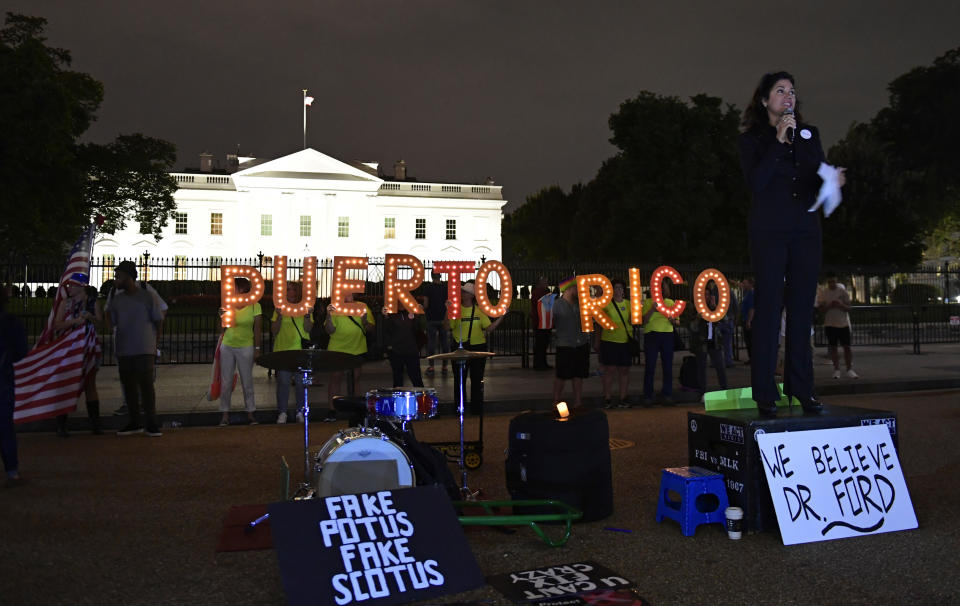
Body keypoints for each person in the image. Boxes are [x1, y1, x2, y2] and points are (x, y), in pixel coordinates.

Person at [738, 71, 846, 415]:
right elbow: (756, 182)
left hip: (805, 230)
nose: (789, 96)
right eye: (780, 90)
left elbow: (816, 174)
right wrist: (778, 141)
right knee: (769, 309)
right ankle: (766, 393)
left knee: (801, 311)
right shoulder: (751, 140)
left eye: (792, 91)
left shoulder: (809, 134)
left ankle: (802, 388)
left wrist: (831, 180)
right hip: (769, 232)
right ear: (765, 100)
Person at [109, 261, 165, 436]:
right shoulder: (116, 298)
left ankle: (151, 423)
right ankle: (135, 422)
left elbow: (159, 319)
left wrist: (155, 343)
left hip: (144, 348)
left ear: (129, 277)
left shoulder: (147, 296)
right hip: (124, 349)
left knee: (146, 387)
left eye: (119, 276)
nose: (115, 279)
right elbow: (110, 320)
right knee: (129, 388)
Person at [51, 275, 103, 436]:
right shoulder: (64, 303)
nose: (69, 288)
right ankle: (62, 425)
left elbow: (101, 323)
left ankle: (95, 424)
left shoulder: (93, 302)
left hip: (88, 346)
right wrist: (74, 322)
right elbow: (56, 325)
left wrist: (91, 317)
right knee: (65, 384)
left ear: (82, 286)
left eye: (72, 286)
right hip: (68, 348)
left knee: (90, 384)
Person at [444, 280, 504, 415]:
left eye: (465, 292)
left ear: (471, 295)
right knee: (460, 380)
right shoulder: (456, 309)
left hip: (478, 347)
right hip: (460, 347)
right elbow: (447, 327)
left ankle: (476, 409)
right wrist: (447, 311)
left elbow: (489, 328)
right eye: (462, 292)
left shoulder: (479, 311)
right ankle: (460, 408)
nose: (462, 294)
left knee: (477, 379)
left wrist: (501, 317)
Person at [219, 277, 261, 426]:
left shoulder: (255, 305)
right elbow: (223, 328)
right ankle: (224, 414)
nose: (231, 288)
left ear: (242, 288)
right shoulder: (228, 303)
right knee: (226, 381)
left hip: (246, 346)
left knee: (247, 381)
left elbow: (257, 329)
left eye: (234, 286)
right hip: (228, 345)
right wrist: (222, 316)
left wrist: (257, 348)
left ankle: (250, 412)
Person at [325, 293, 374, 418]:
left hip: (357, 347)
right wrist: (329, 316)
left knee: (355, 379)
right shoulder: (334, 307)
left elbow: (371, 328)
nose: (348, 294)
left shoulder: (362, 306)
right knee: (336, 378)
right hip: (337, 348)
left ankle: (356, 409)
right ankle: (332, 410)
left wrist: (364, 322)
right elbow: (329, 330)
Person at [270, 281, 313, 424]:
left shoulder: (304, 308)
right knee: (283, 382)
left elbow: (308, 329)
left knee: (301, 383)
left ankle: (300, 411)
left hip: (300, 351)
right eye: (287, 289)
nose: (290, 292)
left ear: (297, 292)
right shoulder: (279, 308)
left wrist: (307, 315)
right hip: (283, 351)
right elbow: (274, 330)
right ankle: (282, 412)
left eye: (292, 289)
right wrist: (279, 316)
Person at [1, 285, 28, 485]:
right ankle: (12, 471)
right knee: (5, 427)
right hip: (4, 379)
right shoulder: (11, 323)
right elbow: (21, 353)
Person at [552, 278, 590, 408]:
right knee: (561, 375)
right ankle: (556, 401)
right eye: (576, 288)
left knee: (579, 375)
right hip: (565, 345)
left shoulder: (581, 305)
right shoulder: (556, 305)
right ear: (568, 289)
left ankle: (578, 402)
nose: (579, 291)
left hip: (581, 344)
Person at [597, 278, 634, 408]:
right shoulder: (606, 304)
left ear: (624, 291)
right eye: (616, 288)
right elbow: (599, 324)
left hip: (625, 342)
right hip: (609, 341)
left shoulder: (629, 304)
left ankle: (623, 397)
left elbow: (632, 321)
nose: (618, 290)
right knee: (609, 370)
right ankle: (607, 398)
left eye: (620, 288)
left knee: (624, 371)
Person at [641, 282, 678, 406]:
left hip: (667, 335)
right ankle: (648, 396)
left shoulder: (670, 303)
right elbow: (644, 321)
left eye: (661, 289)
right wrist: (653, 308)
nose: (659, 291)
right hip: (651, 335)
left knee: (667, 367)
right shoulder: (647, 302)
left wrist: (673, 320)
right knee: (650, 366)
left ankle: (667, 394)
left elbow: (677, 322)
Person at [687, 287, 729, 395]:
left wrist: (715, 307)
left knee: (720, 367)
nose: (706, 297)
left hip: (714, 342)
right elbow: (691, 327)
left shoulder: (713, 307)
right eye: (704, 295)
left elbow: (725, 320)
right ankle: (703, 392)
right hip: (701, 343)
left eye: (708, 294)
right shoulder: (694, 308)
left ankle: (725, 390)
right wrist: (697, 318)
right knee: (702, 368)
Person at [817, 272, 859, 379]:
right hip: (830, 324)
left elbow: (849, 308)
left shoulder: (842, 291)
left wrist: (841, 305)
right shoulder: (824, 293)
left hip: (843, 324)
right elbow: (821, 310)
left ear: (837, 281)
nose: (832, 284)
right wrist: (829, 306)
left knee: (847, 347)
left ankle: (849, 369)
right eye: (830, 282)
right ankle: (836, 370)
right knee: (833, 348)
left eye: (833, 282)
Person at [382, 307, 426, 388]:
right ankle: (398, 400)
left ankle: (421, 399)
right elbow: (386, 331)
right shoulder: (390, 314)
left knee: (416, 379)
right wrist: (386, 317)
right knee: (397, 380)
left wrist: (417, 317)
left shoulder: (412, 311)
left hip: (411, 350)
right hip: (396, 351)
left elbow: (419, 329)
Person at [423, 272, 449, 376]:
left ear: (431, 276)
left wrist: (422, 308)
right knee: (444, 343)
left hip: (431, 318)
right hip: (443, 318)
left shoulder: (427, 288)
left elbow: (426, 304)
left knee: (431, 343)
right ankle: (444, 366)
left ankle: (431, 366)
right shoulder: (445, 288)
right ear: (440, 276)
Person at [530, 276, 551, 370]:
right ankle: (540, 364)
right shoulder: (539, 292)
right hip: (540, 321)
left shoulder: (540, 292)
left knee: (542, 344)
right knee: (541, 344)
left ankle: (541, 363)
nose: (547, 283)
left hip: (542, 321)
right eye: (545, 282)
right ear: (540, 283)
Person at [740, 277, 756, 364]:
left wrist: (749, 321)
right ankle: (751, 358)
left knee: (750, 341)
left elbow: (751, 308)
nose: (743, 284)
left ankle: (753, 359)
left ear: (750, 284)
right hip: (746, 319)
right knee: (748, 341)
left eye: (744, 283)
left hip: (748, 320)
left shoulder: (751, 294)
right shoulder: (748, 293)